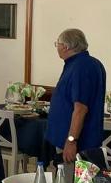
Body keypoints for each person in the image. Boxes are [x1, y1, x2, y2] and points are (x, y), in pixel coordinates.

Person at [45, 28, 106, 165]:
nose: (57, 47)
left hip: (79, 144)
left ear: (66, 47)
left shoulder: (80, 67)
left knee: (69, 177)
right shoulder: (89, 63)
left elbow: (80, 109)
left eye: (57, 44)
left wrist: (71, 141)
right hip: (80, 140)